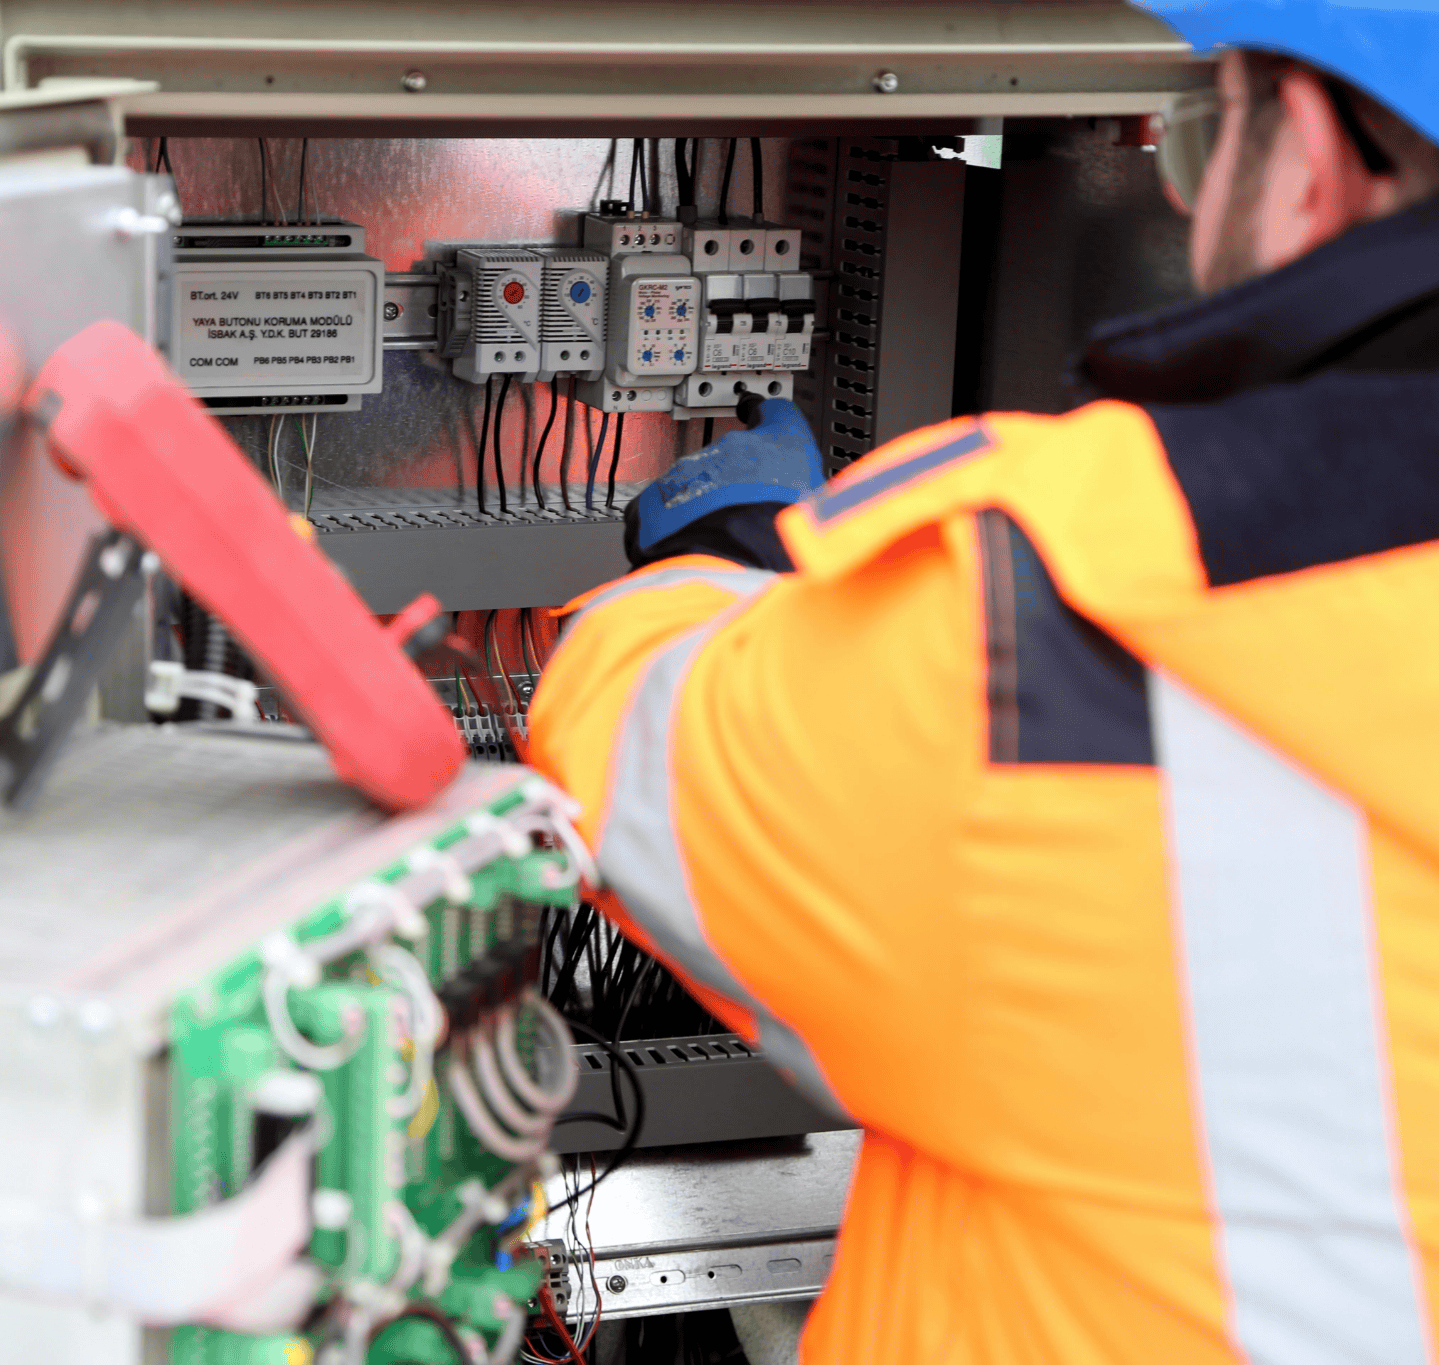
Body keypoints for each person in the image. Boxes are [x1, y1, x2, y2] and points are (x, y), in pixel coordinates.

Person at [525, 2, 1439, 1360]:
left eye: (1198, 140)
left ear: (1312, 149)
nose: (1187, 211)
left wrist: (728, 562)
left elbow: (624, 748)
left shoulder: (1063, 613)